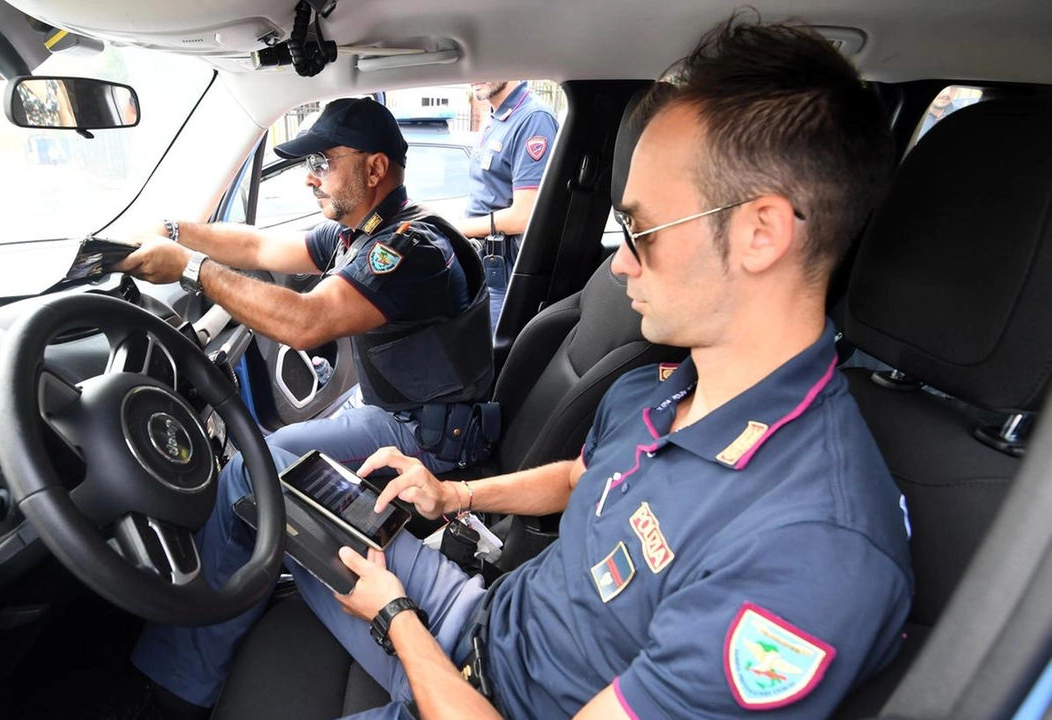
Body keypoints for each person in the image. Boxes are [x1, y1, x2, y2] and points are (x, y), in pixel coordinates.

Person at [135, 16, 915, 720]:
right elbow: (585, 478)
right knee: (267, 491)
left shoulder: (811, 556)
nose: (620, 267)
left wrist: (395, 618)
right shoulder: (660, 387)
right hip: (478, 615)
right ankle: (164, 692)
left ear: (761, 233)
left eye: (638, 230)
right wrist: (453, 492)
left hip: (472, 688)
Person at [115, 97, 492, 475]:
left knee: (254, 466)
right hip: (402, 412)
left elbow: (306, 323)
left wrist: (191, 268)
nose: (309, 177)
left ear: (375, 168)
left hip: (432, 438)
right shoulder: (362, 231)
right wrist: (173, 231)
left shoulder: (408, 248)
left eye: (321, 163)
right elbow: (258, 246)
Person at [454, 80, 560, 330]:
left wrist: (458, 227)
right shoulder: (496, 117)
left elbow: (525, 215)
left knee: (493, 358)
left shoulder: (533, 118)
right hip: (481, 263)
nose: (475, 74)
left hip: (503, 270)